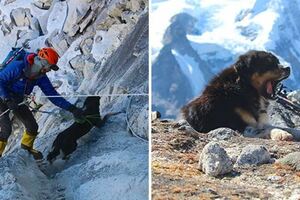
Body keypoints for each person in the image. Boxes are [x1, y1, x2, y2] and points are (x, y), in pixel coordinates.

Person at [0, 47, 84, 160]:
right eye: (49, 67)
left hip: (17, 99)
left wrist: (72, 109)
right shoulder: (18, 66)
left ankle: (26, 151)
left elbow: (52, 95)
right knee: (6, 129)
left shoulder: (40, 77)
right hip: (2, 95)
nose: (49, 70)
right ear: (42, 63)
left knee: (32, 126)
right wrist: (7, 99)